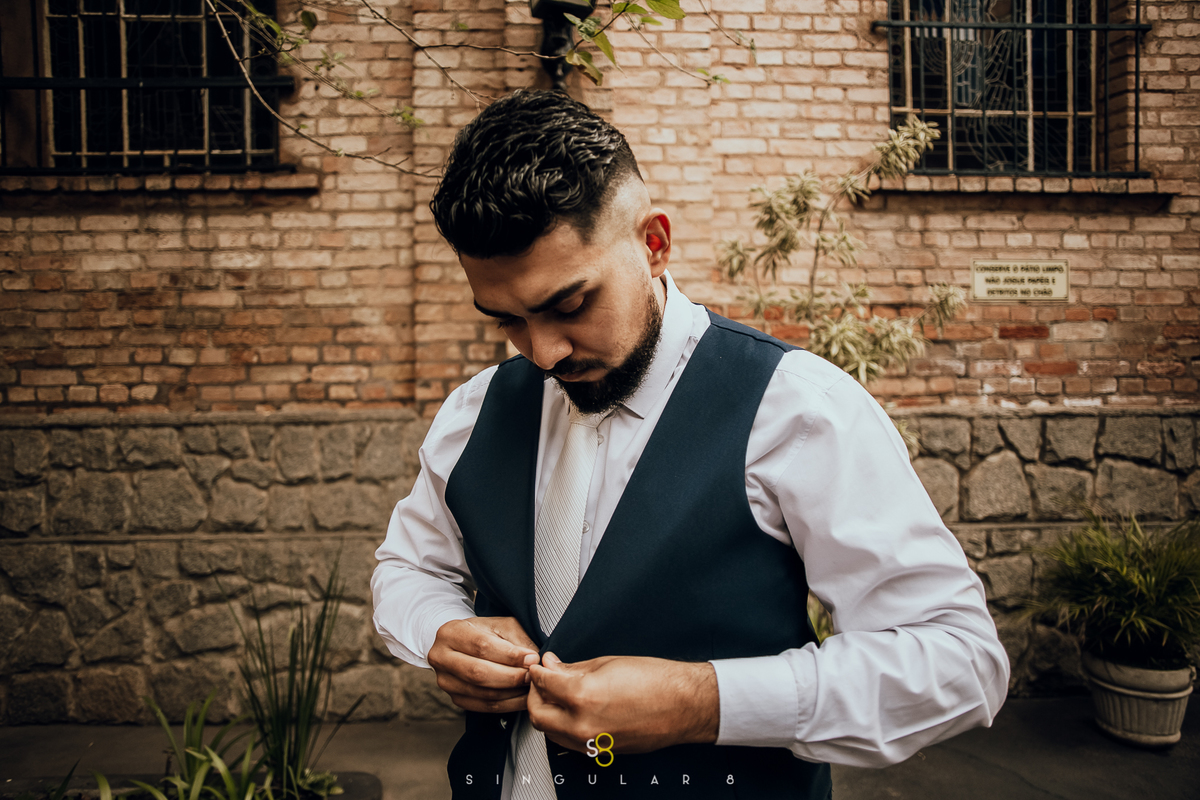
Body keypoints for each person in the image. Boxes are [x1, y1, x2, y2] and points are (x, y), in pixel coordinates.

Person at [371, 89, 1009, 800]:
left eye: (570, 304)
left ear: (654, 244)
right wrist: (440, 627)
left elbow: (959, 661)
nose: (544, 353)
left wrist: (702, 702)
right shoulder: (473, 412)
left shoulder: (798, 411)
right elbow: (408, 567)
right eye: (507, 321)